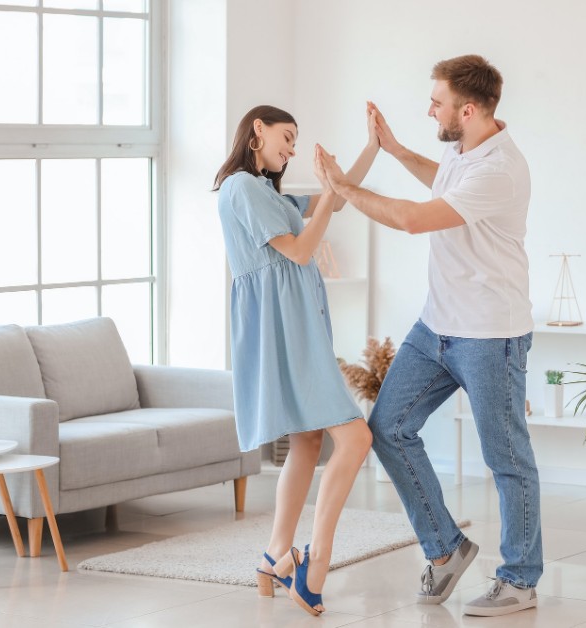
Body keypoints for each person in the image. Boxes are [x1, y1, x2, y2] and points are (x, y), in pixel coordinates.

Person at [317, 55, 542, 617]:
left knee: (507, 458)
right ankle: (445, 551)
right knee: (387, 428)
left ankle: (519, 579)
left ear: (468, 110)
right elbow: (442, 182)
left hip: (491, 335)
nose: (429, 109)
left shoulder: (500, 170)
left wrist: (342, 185)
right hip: (437, 325)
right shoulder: (463, 149)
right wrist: (393, 149)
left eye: (437, 101)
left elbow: (416, 218)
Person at [213, 104, 378, 616]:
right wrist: (329, 196)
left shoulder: (265, 191)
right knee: (356, 436)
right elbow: (301, 251)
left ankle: (273, 555)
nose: (291, 148)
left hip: (293, 321)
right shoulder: (241, 187)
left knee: (307, 439)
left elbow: (339, 201)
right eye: (287, 137)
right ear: (257, 130)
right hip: (284, 326)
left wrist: (373, 147)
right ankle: (312, 563)